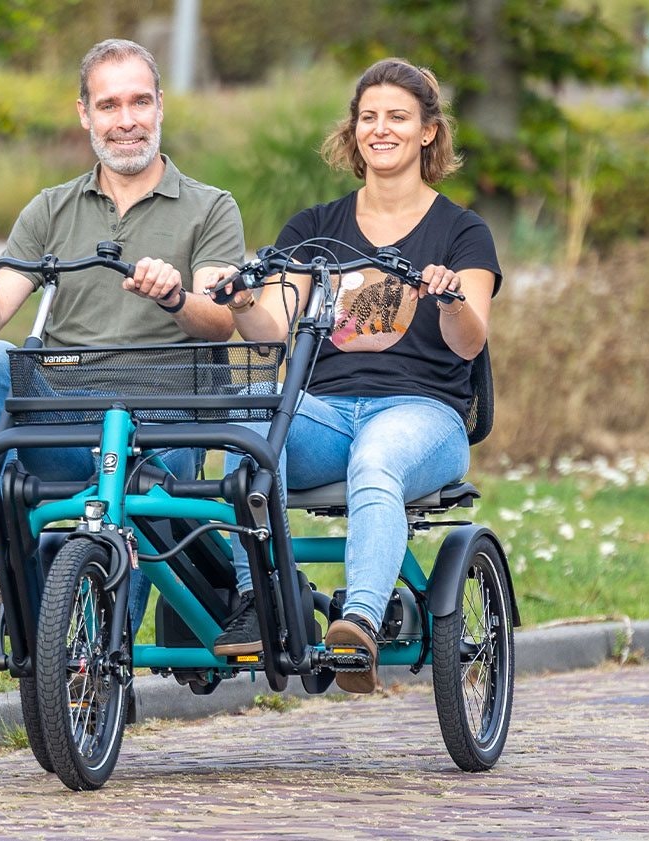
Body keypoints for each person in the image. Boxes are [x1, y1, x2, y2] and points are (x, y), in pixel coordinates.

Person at [210, 58, 501, 693]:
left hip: (424, 416)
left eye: (398, 117)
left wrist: (450, 297)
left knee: (377, 460)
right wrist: (238, 303)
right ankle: (260, 597)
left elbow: (470, 338)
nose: (381, 129)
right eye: (369, 117)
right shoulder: (315, 229)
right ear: (353, 131)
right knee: (250, 418)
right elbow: (274, 331)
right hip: (326, 412)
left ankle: (359, 625)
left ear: (428, 131)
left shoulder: (462, 232)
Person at [0, 39, 245, 635]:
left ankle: (97, 667)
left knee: (132, 509)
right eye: (109, 105)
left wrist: (175, 295)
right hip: (67, 420)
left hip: (162, 428)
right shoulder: (50, 210)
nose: (126, 120)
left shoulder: (210, 207)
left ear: (161, 107)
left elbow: (221, 316)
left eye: (139, 102)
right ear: (85, 113)